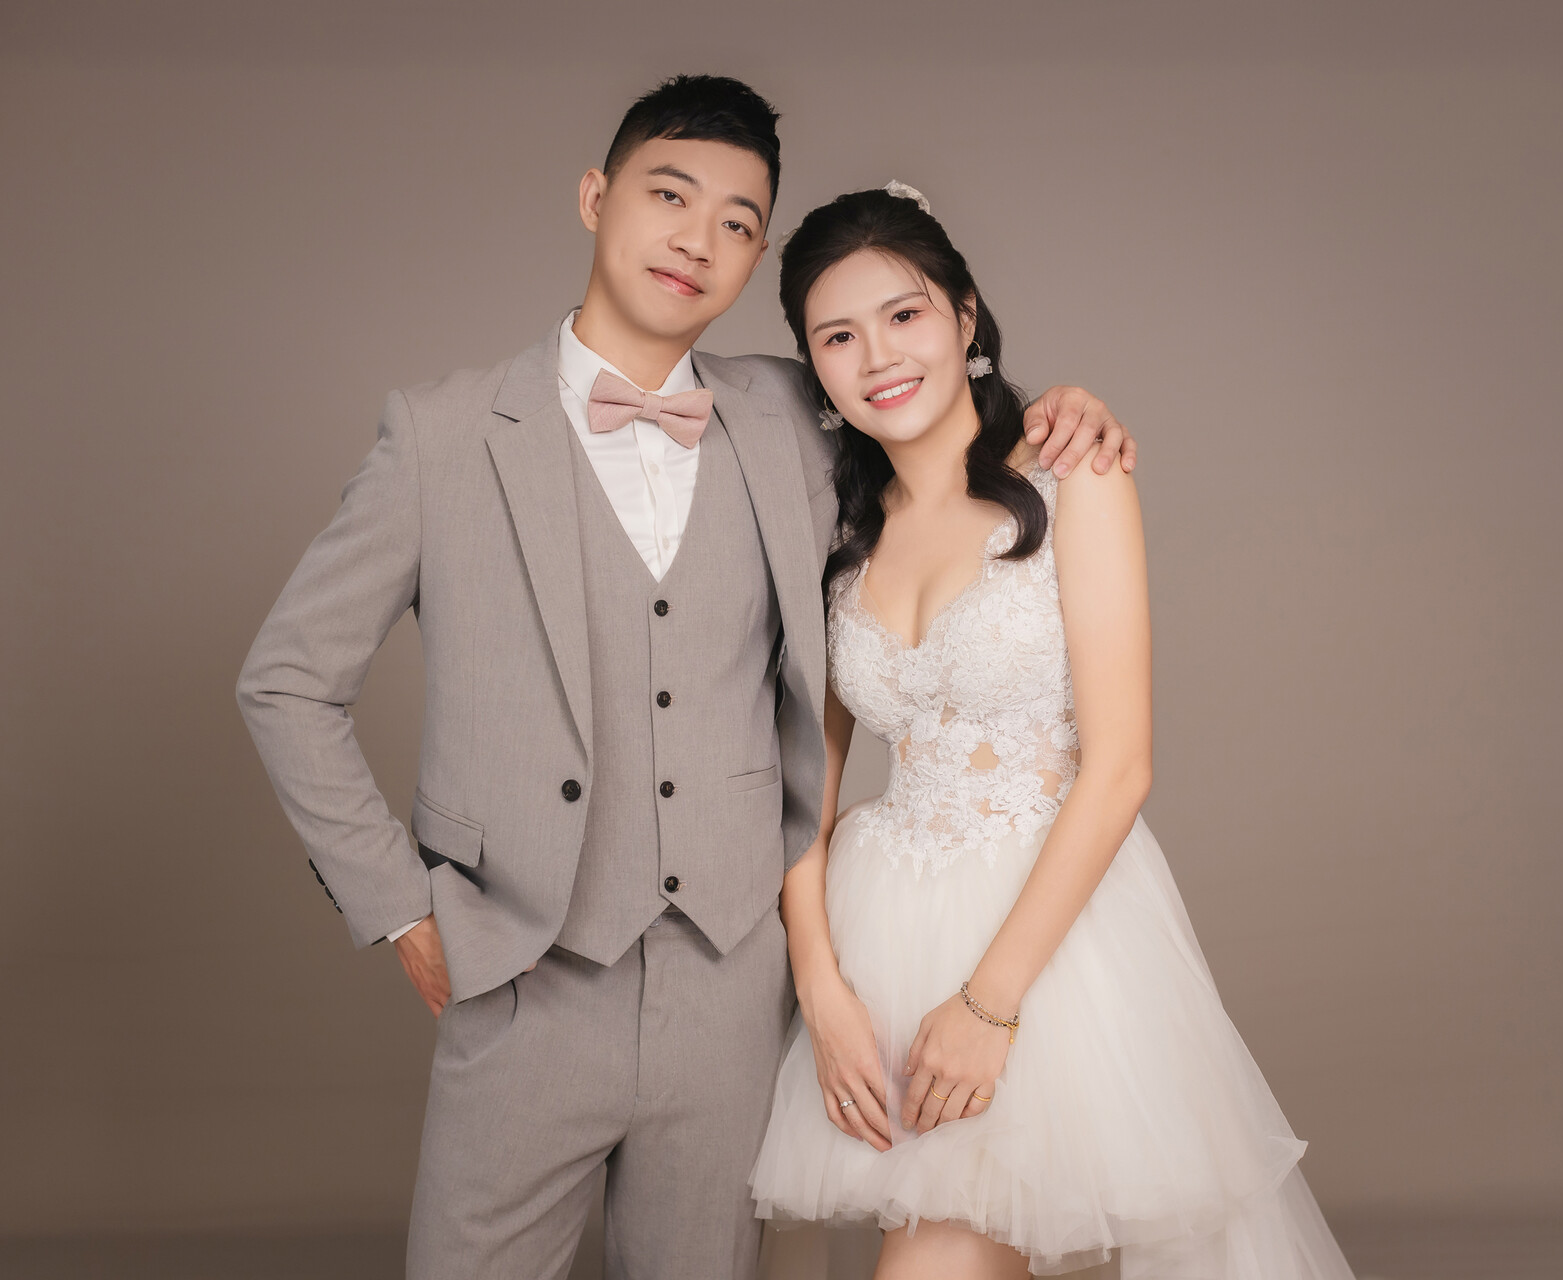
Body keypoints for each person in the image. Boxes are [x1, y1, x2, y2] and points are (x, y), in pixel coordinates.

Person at [235, 78, 1132, 1280]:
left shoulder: (793, 412)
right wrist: (399, 903)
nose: (698, 239)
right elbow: (287, 681)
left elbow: (929, 402)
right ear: (595, 197)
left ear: (755, 257)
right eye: (670, 196)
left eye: (737, 222)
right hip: (524, 979)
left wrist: (1063, 411)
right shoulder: (441, 436)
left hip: (732, 989)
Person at [747, 185, 1356, 1279]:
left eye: (905, 314)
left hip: (1054, 942)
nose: (878, 356)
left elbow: (1120, 767)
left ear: (965, 316)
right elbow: (806, 790)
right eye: (837, 336)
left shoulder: (1075, 476)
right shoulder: (835, 537)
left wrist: (989, 1006)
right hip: (882, 935)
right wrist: (824, 990)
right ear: (813, 368)